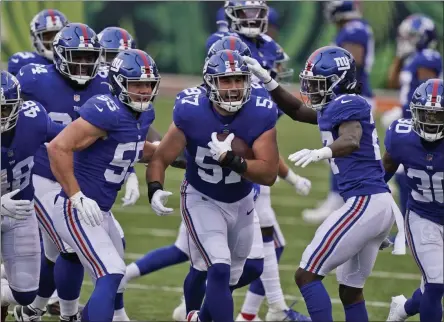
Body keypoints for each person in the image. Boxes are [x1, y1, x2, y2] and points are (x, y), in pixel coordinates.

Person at [245, 45, 406, 322]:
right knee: (350, 292)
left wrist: (323, 151)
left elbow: (351, 138)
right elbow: (296, 109)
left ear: (340, 81)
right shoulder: (334, 106)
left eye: (319, 84)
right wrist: (269, 81)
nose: (313, 89)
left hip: (365, 203)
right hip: (376, 204)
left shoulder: (349, 103)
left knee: (306, 275)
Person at [146, 50, 280, 322]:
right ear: (210, 83)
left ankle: (196, 317)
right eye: (225, 81)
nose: (233, 88)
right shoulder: (191, 110)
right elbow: (161, 157)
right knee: (218, 267)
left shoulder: (259, 111)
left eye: (238, 80)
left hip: (242, 200)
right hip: (201, 197)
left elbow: (268, 174)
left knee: (237, 273)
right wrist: (154, 187)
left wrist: (232, 160)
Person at [46, 48, 160, 321]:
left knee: (115, 278)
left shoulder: (144, 115)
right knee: (110, 272)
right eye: (136, 84)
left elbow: (134, 147)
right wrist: (76, 196)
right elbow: (58, 148)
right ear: (119, 83)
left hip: (102, 211)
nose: (144, 91)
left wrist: (202, 155)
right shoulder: (105, 109)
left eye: (148, 84)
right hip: (77, 207)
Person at [13, 23, 113, 321]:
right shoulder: (34, 78)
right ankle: (67, 314)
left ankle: (33, 308)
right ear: (58, 56)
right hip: (42, 173)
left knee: (56, 251)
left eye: (88, 57)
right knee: (69, 245)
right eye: (76, 56)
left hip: (81, 175)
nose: (83, 64)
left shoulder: (107, 83)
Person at [302, 0, 376, 224]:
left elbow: (354, 61)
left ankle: (339, 200)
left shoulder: (353, 30)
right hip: (353, 95)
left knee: (341, 149)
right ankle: (344, 199)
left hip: (352, 96)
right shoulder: (358, 27)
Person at [0, 71, 64, 322]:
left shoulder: (33, 119)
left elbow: (68, 137)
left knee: (26, 294)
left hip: (21, 210)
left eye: (4, 110)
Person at [384, 79, 444, 322]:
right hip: (423, 216)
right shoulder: (402, 137)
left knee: (435, 284)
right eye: (425, 115)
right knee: (436, 283)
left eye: (437, 116)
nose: (430, 122)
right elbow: (380, 176)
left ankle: (403, 308)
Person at [382, 14, 441, 223]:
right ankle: (410, 223)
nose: (407, 40)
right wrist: (399, 55)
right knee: (401, 169)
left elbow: (427, 91)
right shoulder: (412, 59)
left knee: (408, 170)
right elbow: (392, 82)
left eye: (412, 37)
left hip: (422, 121)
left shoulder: (428, 58)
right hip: (410, 117)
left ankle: (413, 223)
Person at [8, 9, 69, 76]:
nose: (54, 41)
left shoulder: (75, 60)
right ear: (35, 39)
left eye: (58, 35)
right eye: (48, 36)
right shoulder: (23, 61)